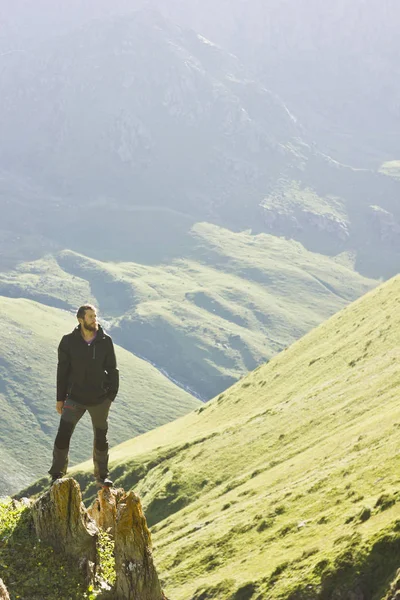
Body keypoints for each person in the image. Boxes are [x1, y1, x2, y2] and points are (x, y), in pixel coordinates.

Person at [48, 304, 119, 487]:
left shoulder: (105, 341)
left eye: (95, 316)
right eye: (91, 317)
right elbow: (62, 371)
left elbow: (112, 369)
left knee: (101, 438)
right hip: (74, 398)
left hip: (100, 400)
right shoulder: (68, 342)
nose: (95, 320)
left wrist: (111, 396)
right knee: (63, 434)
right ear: (81, 320)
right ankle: (57, 475)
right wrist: (60, 398)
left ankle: (102, 477)